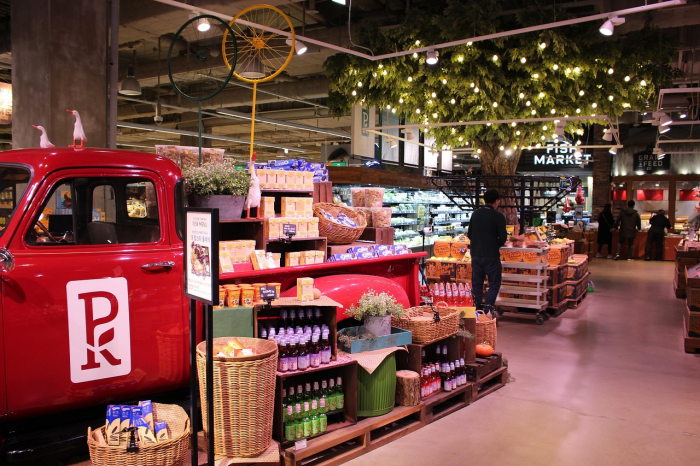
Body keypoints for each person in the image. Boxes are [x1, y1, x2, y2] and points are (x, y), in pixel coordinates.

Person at [467, 188, 508, 313]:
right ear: (497, 201)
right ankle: (487, 310)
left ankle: (477, 309)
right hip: (491, 256)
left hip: (476, 254)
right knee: (494, 284)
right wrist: (494, 244)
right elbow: (503, 238)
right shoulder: (498, 216)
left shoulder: (475, 214)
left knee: (477, 284)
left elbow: (469, 234)